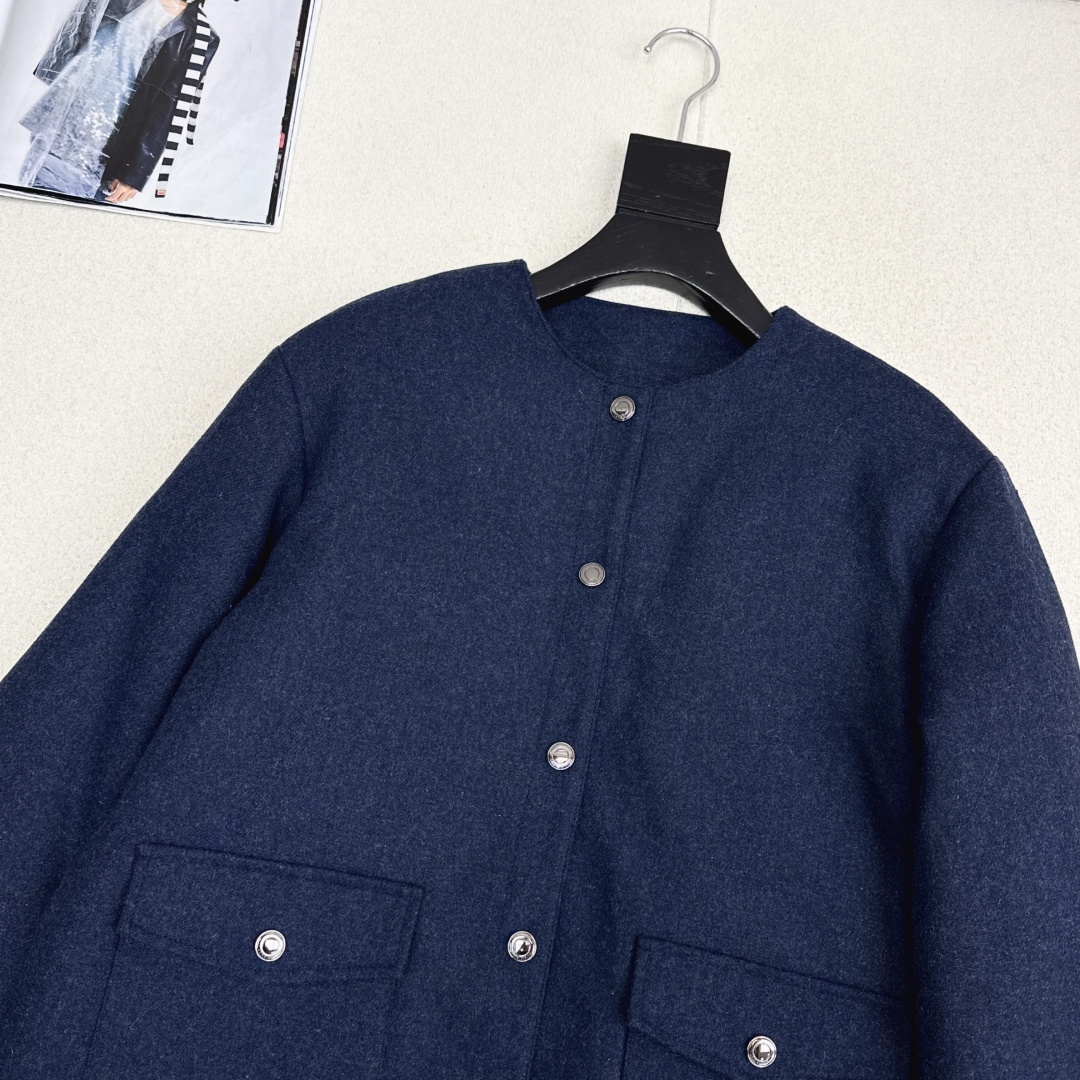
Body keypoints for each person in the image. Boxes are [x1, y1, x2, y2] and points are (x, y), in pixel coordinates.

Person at [18, 0, 218, 204]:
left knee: (75, 214)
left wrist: (135, 173)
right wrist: (49, 88)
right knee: (33, 200)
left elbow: (168, 109)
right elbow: (78, 29)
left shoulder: (201, 38)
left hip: (108, 151)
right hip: (63, 121)